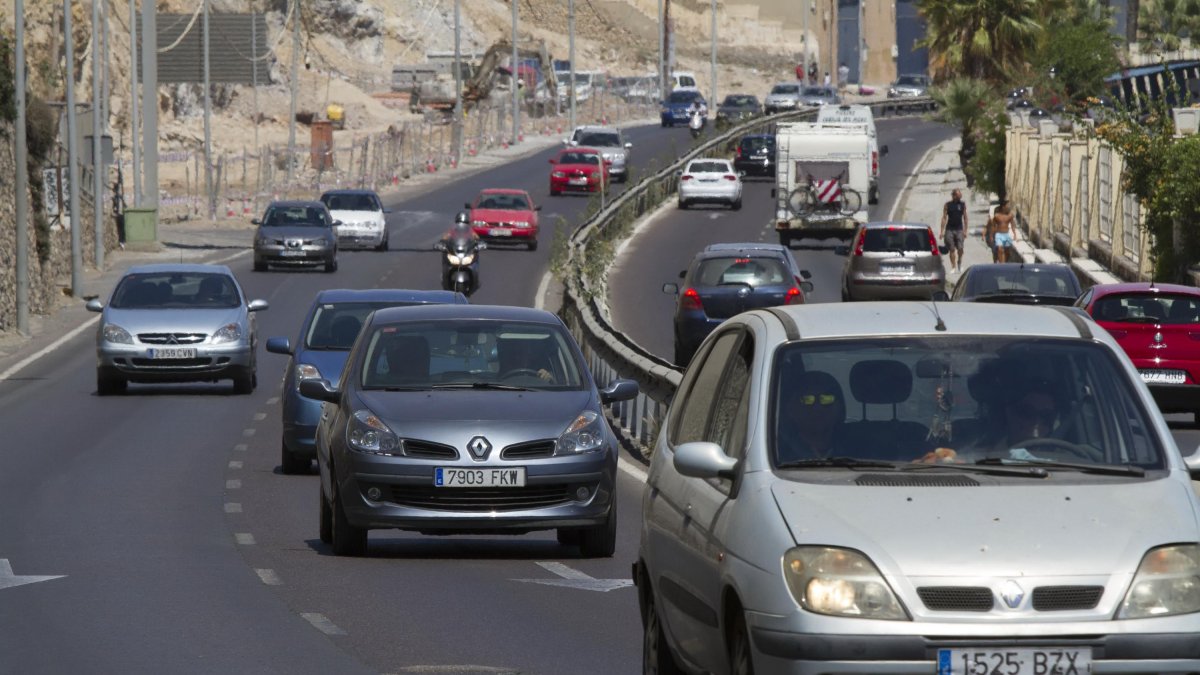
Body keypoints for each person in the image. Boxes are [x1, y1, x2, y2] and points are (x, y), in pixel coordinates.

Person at [776, 371, 846, 462]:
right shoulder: (777, 452)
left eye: (826, 399)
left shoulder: (858, 448)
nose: (817, 407)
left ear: (840, 407)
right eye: (807, 400)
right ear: (790, 409)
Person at [440, 212, 481, 291]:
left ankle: (475, 280)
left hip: (466, 253)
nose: (462, 225)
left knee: (475, 261)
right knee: (445, 261)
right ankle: (444, 280)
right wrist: (442, 243)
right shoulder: (452, 230)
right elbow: (445, 237)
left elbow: (477, 238)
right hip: (455, 252)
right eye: (460, 223)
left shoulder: (470, 231)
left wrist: (480, 244)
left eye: (464, 223)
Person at [940, 188, 968, 273]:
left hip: (959, 229)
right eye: (959, 195)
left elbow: (965, 217)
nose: (960, 196)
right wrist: (942, 231)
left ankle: (959, 262)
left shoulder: (962, 204)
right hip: (949, 229)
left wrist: (965, 230)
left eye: (960, 194)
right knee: (951, 249)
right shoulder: (947, 205)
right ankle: (953, 266)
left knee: (960, 248)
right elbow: (944, 218)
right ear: (954, 196)